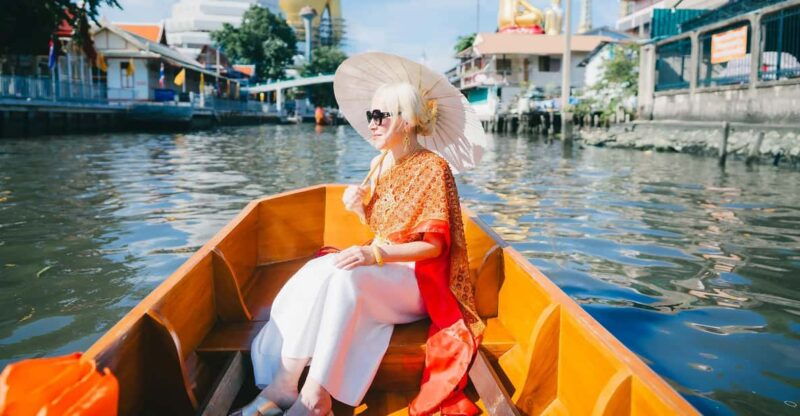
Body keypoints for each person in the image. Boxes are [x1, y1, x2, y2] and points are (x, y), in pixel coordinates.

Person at [232, 82, 483, 416]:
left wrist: (373, 255)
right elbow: (385, 230)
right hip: (387, 269)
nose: (373, 123)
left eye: (381, 115)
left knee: (347, 279)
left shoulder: (432, 168)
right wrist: (359, 210)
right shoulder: (382, 165)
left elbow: (433, 247)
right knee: (318, 270)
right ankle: (284, 384)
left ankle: (316, 395)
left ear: (406, 121)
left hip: (417, 280)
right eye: (370, 115)